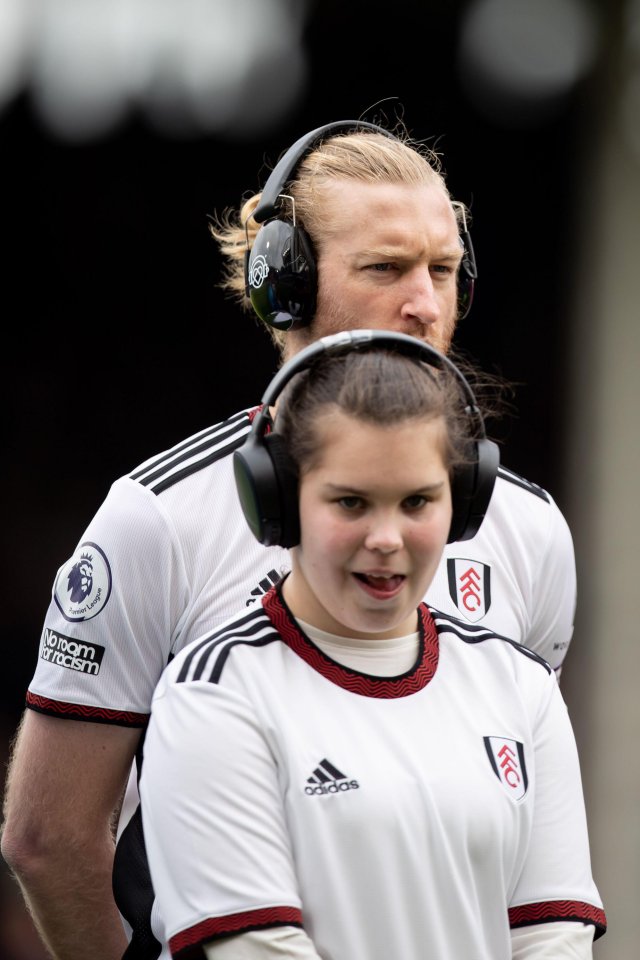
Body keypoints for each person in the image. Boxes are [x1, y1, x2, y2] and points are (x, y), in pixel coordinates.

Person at [1, 119, 577, 960]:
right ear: (287, 287)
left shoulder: (530, 533)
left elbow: (522, 832)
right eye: (385, 268)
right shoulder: (158, 519)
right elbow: (48, 839)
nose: (424, 302)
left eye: (444, 270)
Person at [139, 329, 606, 960]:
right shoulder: (211, 694)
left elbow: (553, 938)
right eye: (351, 502)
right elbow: (254, 949)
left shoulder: (521, 687)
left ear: (463, 503)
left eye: (417, 501)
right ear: (280, 500)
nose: (386, 537)